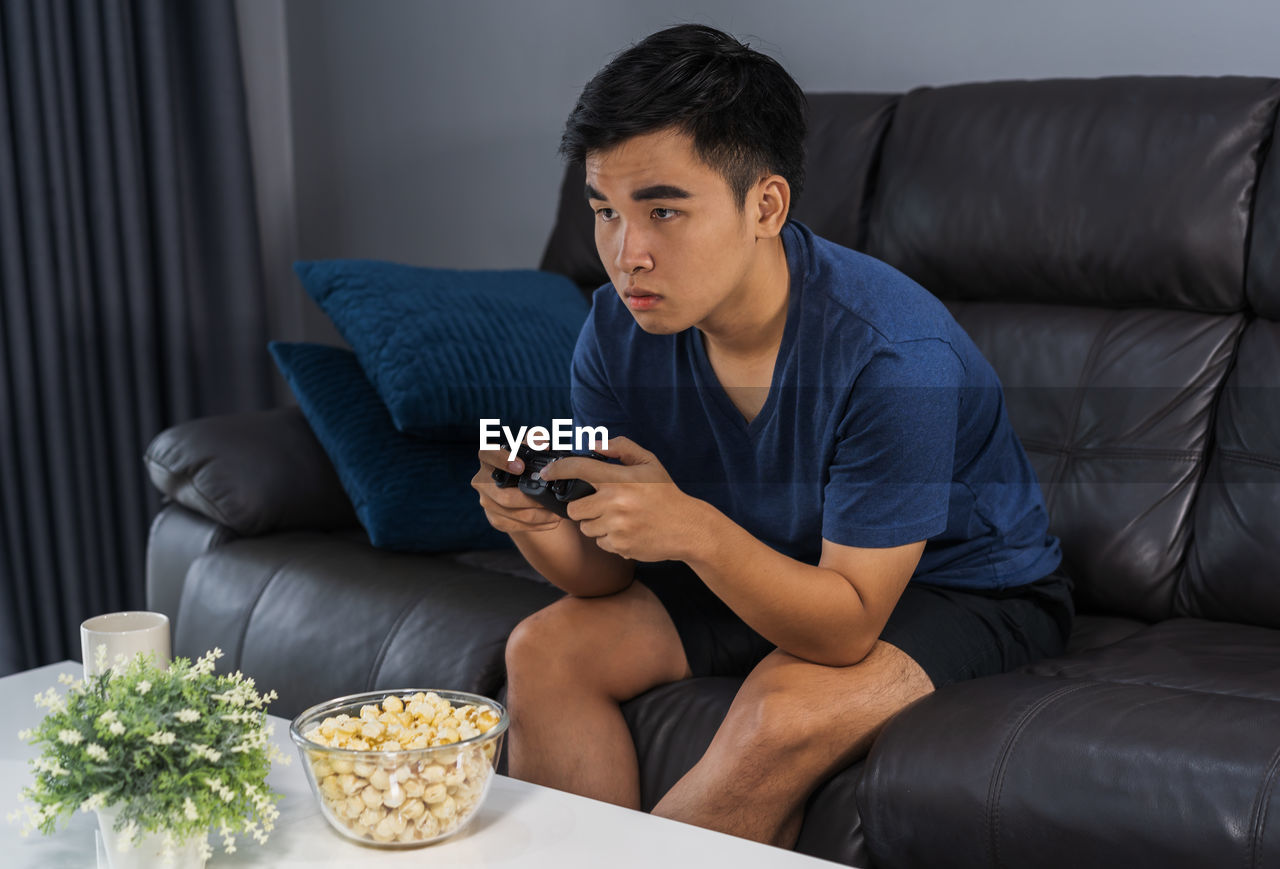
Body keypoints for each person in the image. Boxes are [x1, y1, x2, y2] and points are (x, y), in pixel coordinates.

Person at [472, 23, 1073, 848]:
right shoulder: (613, 331)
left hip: (955, 590)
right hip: (752, 559)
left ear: (766, 205)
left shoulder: (893, 355)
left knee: (778, 713)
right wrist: (540, 527)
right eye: (605, 211)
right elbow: (604, 576)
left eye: (663, 211)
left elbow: (847, 621)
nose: (625, 253)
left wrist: (690, 526)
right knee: (544, 648)